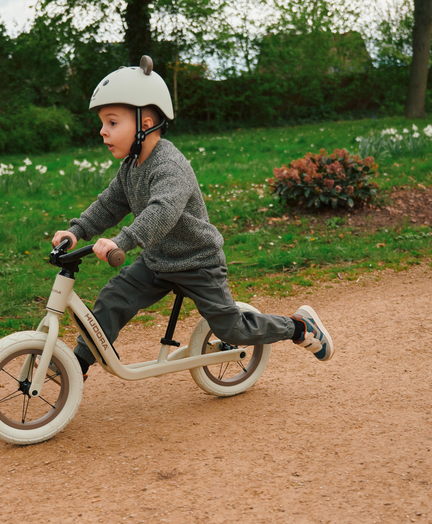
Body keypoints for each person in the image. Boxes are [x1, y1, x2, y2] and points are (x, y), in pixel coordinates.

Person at [51, 57, 334, 378]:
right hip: (158, 261)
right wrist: (77, 231)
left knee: (232, 329)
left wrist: (122, 241)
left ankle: (298, 327)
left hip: (197, 261)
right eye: (103, 123)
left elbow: (162, 212)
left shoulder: (170, 166)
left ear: (144, 124)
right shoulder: (130, 166)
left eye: (112, 122)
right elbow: (110, 203)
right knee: (113, 298)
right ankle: (79, 364)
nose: (102, 131)